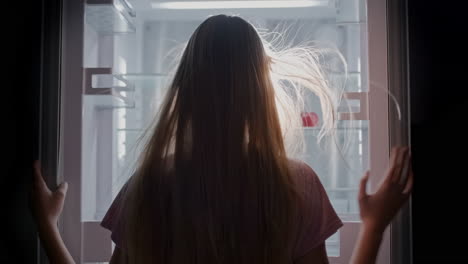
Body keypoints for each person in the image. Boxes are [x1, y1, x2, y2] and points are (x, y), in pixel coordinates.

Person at [31, 15, 413, 264]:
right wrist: (375, 225)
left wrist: (46, 224)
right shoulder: (296, 185)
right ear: (261, 94)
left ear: (184, 90)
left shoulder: (148, 185)